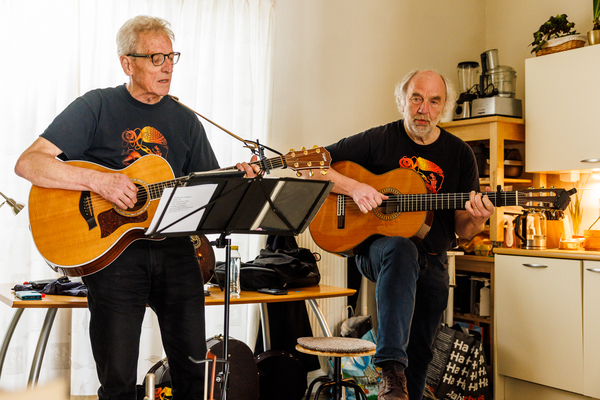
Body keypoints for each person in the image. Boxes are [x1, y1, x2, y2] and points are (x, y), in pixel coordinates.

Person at [14, 15, 257, 400]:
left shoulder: (185, 120)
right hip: (114, 255)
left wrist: (238, 180)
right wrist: (101, 181)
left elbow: (209, 189)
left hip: (177, 250)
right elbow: (29, 163)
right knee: (119, 381)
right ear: (127, 63)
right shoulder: (96, 106)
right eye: (155, 58)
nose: (167, 67)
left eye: (172, 57)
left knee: (195, 374)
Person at [304, 70, 494, 400]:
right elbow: (310, 163)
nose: (424, 109)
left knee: (420, 356)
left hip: (433, 260)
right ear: (401, 101)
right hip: (378, 251)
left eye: (434, 101)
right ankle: (389, 366)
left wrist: (478, 221)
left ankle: (397, 382)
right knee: (400, 248)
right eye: (416, 98)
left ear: (444, 106)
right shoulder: (378, 139)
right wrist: (356, 187)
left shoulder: (460, 153)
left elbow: (464, 229)